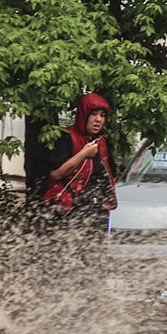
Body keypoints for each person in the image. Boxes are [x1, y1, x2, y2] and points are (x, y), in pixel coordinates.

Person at [41, 93, 118, 242]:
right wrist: (83, 154)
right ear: (84, 115)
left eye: (102, 115)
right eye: (94, 114)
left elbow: (112, 174)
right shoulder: (67, 137)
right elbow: (56, 174)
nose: (98, 119)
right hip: (69, 209)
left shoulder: (102, 142)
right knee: (69, 255)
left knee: (95, 256)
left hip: (97, 211)